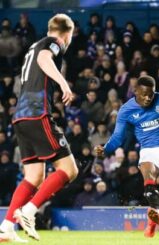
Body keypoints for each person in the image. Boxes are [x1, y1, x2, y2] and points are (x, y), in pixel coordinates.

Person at [0, 14, 78, 242]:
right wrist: (64, 83)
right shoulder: (53, 43)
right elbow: (45, 60)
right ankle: (29, 210)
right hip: (37, 113)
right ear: (67, 33)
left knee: (34, 176)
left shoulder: (33, 45)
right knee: (69, 169)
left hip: (21, 118)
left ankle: (6, 227)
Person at [95, 75, 159, 238]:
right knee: (150, 178)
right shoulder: (126, 110)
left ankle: (152, 221)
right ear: (135, 91)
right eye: (144, 94)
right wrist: (106, 148)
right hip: (147, 150)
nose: (148, 98)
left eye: (151, 94)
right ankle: (156, 213)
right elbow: (118, 137)